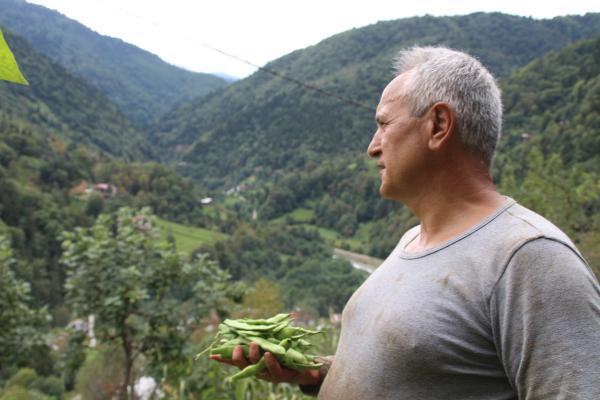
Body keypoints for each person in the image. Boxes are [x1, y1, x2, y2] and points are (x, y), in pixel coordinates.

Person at [211, 46, 600, 399]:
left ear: (438, 125)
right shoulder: (413, 240)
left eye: (383, 124)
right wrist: (316, 374)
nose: (372, 146)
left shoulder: (530, 257)